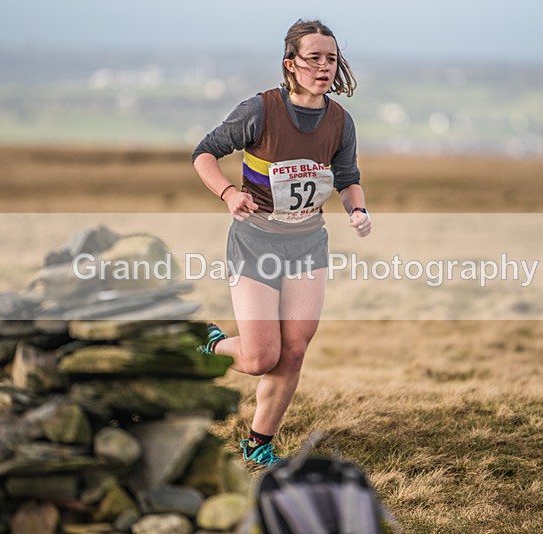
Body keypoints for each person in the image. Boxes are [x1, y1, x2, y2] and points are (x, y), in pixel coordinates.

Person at [191, 19, 371, 467]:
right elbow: (204, 154)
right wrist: (228, 194)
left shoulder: (340, 121)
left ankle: (258, 444)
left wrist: (358, 210)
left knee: (293, 351)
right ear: (291, 64)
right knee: (259, 357)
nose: (325, 67)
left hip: (308, 244)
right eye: (314, 58)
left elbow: (347, 179)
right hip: (256, 241)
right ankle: (210, 344)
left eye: (331, 59)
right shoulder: (260, 110)